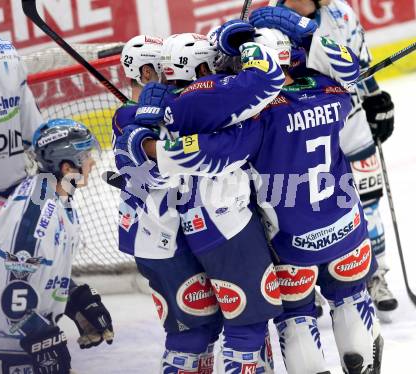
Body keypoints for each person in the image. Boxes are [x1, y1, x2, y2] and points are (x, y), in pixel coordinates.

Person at [138, 23, 383, 373]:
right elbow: (348, 69)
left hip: (291, 242)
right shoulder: (332, 92)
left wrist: (155, 146)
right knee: (350, 297)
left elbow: (216, 150)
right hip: (347, 227)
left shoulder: (257, 117)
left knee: (297, 317)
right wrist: (305, 31)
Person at [120, 28, 290, 372]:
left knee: (197, 334)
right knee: (247, 324)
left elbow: (142, 163)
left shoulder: (133, 115)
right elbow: (264, 83)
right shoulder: (198, 98)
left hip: (167, 230)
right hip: (204, 226)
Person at [256, 0, 398, 316]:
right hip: (296, 128)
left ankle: (373, 274)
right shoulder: (267, 20)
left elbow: (358, 63)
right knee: (289, 203)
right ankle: (304, 282)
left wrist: (375, 97)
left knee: (368, 196)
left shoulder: (341, 13)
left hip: (348, 115)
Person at [112, 35, 223, 374]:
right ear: (148, 72)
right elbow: (152, 172)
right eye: (166, 69)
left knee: (203, 329)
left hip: (161, 237)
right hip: (161, 240)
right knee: (191, 332)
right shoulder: (131, 117)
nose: (176, 76)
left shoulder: (159, 111)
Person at [0, 119, 114, 374]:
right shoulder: (34, 216)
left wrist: (73, 297)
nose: (92, 163)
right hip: (5, 347)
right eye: (85, 157)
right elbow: (13, 304)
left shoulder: (56, 196)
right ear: (66, 166)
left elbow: (34, 270)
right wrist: (45, 343)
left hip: (16, 337)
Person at [0, 7, 43, 250]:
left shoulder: (5, 51)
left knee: (23, 267)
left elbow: (30, 121)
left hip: (17, 190)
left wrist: (46, 150)